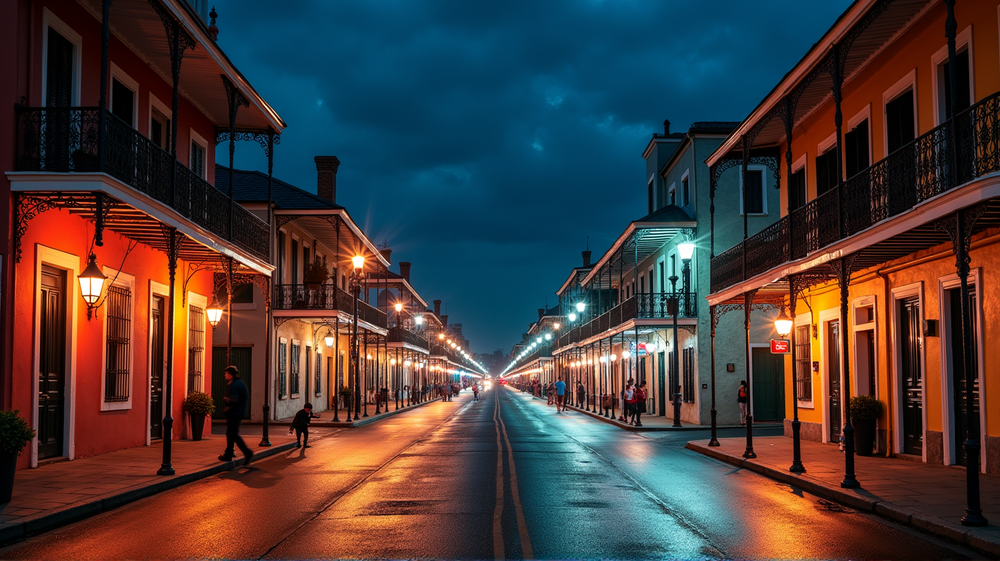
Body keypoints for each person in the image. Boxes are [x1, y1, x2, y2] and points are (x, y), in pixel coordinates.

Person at [219, 365, 253, 465]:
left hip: (235, 413)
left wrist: (227, 402)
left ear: (231, 375)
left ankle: (247, 452)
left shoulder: (235, 385)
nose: (225, 375)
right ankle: (228, 454)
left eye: (226, 374)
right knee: (231, 434)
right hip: (238, 412)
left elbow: (234, 399)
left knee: (233, 434)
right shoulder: (239, 383)